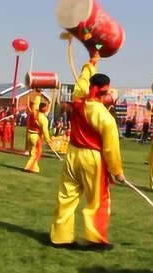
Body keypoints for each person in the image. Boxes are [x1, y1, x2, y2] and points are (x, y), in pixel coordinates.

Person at [50, 49, 125, 250]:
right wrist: (117, 172)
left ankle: (61, 237)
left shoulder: (78, 98)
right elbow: (110, 149)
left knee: (66, 196)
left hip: (72, 153)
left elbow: (82, 80)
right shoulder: (105, 117)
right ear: (106, 91)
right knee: (97, 200)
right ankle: (95, 238)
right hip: (93, 159)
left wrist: (92, 62)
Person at [24, 96, 52, 173]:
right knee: (37, 153)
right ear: (44, 108)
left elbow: (36, 105)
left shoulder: (33, 113)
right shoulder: (43, 118)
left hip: (29, 135)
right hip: (36, 137)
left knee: (32, 152)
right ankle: (29, 167)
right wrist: (48, 140)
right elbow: (45, 131)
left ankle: (35, 168)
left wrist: (38, 96)